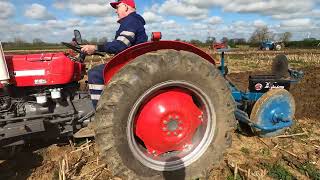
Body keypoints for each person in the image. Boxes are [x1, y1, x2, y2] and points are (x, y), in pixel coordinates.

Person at [81, 0, 148, 109]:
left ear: (126, 7)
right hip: (132, 61)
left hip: (131, 63)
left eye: (117, 7)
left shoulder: (131, 21)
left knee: (95, 73)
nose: (116, 11)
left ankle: (99, 112)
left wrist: (96, 47)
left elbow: (120, 45)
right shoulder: (132, 21)